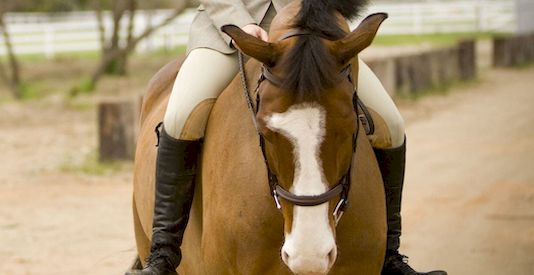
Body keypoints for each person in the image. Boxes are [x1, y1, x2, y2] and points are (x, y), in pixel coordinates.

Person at [126, 1, 448, 275]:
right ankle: (163, 256)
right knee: (181, 115)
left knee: (390, 123)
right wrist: (240, 22)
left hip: (310, 35)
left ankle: (390, 256)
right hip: (227, 33)